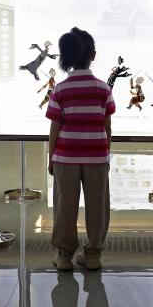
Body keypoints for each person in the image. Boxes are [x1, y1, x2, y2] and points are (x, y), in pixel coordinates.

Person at [46, 27, 114, 272]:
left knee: (65, 205)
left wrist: (51, 158)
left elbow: (55, 127)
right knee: (98, 205)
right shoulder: (103, 89)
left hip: (65, 157)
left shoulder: (60, 89)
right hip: (97, 158)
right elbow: (107, 126)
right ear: (92, 56)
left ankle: (64, 257)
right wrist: (106, 154)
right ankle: (93, 255)